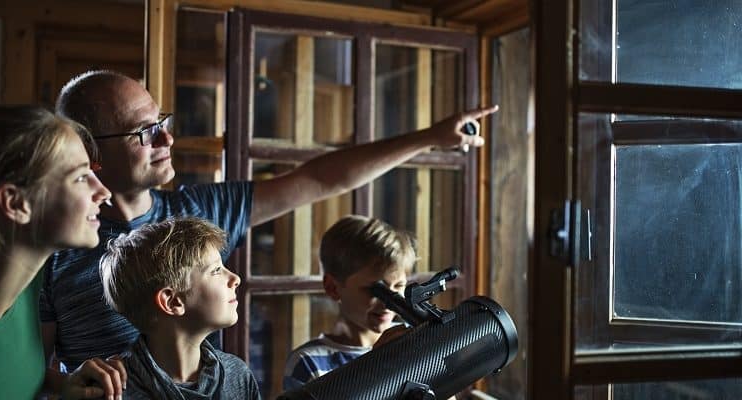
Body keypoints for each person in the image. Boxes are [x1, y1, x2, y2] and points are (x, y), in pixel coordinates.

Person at [41, 69, 496, 372]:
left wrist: (431, 138)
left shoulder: (199, 213)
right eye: (144, 132)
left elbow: (320, 178)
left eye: (162, 120)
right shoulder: (49, 250)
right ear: (90, 150)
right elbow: (37, 372)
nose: (167, 136)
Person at [0, 105, 125, 399]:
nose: (103, 191)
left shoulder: (27, 284)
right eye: (80, 177)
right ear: (15, 203)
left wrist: (59, 384)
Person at [99, 217, 261, 399]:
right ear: (172, 302)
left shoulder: (237, 376)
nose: (235, 278)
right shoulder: (113, 389)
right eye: (216, 270)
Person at [282, 215, 414, 390]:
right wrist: (375, 365)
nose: (389, 303)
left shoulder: (412, 341)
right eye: (375, 290)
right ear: (333, 287)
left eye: (399, 286)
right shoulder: (308, 363)